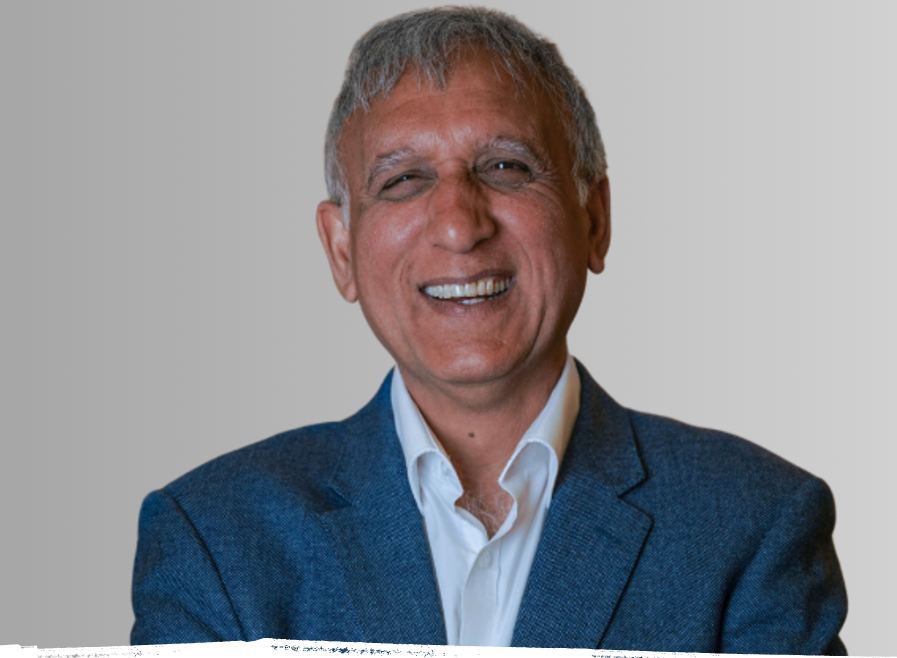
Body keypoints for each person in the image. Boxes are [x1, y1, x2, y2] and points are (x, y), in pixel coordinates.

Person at [131, 7, 847, 653]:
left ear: (593, 220)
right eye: (402, 180)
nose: (458, 224)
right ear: (341, 251)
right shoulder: (214, 536)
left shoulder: (751, 523)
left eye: (505, 167)